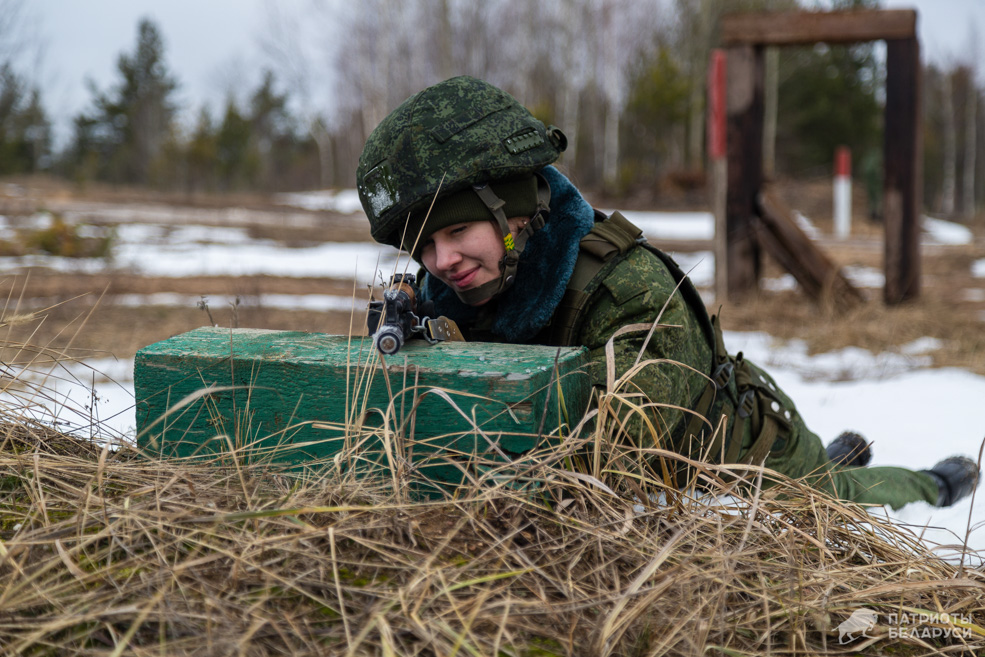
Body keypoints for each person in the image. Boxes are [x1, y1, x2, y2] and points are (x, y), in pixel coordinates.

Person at [356, 75, 979, 510]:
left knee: (829, 495)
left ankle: (931, 484)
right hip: (684, 463)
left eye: (458, 231)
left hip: (742, 455)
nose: (442, 263)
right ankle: (841, 452)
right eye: (424, 245)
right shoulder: (452, 290)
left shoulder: (628, 289)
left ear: (515, 211)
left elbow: (615, 459)